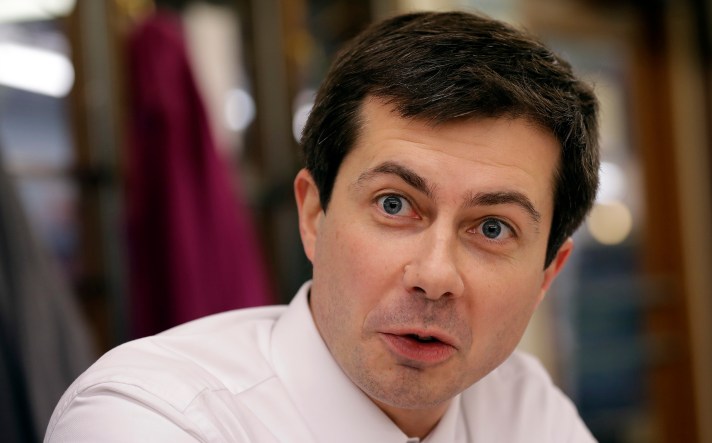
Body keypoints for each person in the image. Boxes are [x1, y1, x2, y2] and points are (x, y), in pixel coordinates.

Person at [46, 10, 599, 442]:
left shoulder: (525, 408)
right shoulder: (154, 415)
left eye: (494, 229)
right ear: (314, 215)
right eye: (393, 204)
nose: (434, 275)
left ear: (548, 274)